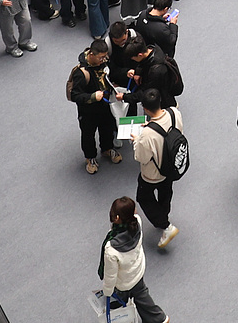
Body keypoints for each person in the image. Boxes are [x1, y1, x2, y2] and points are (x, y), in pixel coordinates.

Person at [99, 196, 170, 323]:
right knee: (142, 297)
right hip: (137, 272)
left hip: (122, 283)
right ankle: (159, 319)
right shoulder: (137, 222)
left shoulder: (111, 249)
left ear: (116, 218)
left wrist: (107, 291)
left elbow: (111, 275)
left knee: (117, 305)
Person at [130, 86, 185, 249]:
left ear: (145, 108)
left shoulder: (146, 135)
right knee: (165, 191)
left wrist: (136, 141)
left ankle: (166, 225)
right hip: (171, 166)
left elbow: (140, 157)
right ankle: (163, 213)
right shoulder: (175, 113)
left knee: (144, 197)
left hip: (152, 173)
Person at [70, 39, 122, 174]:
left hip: (105, 105)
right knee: (88, 134)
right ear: (92, 55)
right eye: (100, 57)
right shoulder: (81, 73)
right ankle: (90, 157)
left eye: (105, 57)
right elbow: (75, 95)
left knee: (107, 127)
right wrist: (93, 96)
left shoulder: (104, 61)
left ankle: (107, 149)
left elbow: (110, 73)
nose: (103, 60)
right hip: (88, 111)